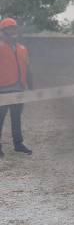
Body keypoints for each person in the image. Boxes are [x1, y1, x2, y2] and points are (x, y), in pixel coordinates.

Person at [0, 18, 33, 157]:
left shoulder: (22, 48)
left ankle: (18, 144)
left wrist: (31, 87)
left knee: (16, 118)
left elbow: (28, 68)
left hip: (19, 89)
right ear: (2, 31)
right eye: (8, 29)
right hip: (2, 90)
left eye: (13, 28)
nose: (12, 31)